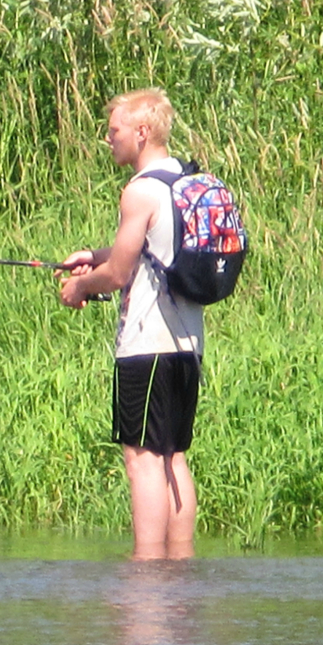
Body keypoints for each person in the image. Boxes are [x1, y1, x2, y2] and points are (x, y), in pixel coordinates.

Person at [58, 88, 203, 561]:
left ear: (142, 132)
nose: (108, 139)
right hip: (187, 346)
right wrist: (91, 258)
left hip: (146, 346)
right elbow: (144, 251)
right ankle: (179, 565)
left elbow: (119, 274)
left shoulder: (138, 191)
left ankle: (145, 573)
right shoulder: (185, 181)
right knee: (173, 457)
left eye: (114, 130)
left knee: (142, 460)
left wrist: (80, 288)